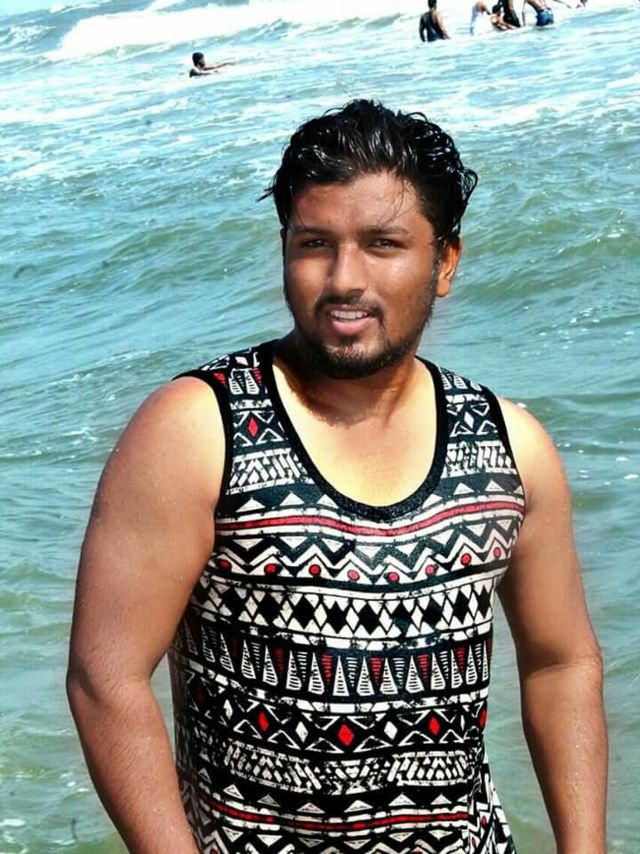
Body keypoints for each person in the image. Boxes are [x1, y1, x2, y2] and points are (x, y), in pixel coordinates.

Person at [67, 99, 608, 854]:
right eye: (315, 243)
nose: (344, 279)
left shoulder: (509, 447)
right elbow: (107, 679)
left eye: (384, 244)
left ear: (446, 262)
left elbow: (560, 663)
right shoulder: (199, 430)